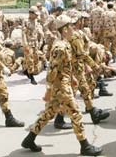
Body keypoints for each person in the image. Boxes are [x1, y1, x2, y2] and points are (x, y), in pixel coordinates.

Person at [21, 15, 103, 156]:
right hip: (61, 86)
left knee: (49, 113)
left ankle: (29, 138)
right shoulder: (60, 46)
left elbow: (65, 66)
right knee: (75, 113)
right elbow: (52, 69)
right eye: (71, 26)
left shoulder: (65, 44)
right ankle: (85, 146)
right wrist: (48, 90)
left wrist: (72, 78)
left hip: (63, 83)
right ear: (64, 30)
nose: (73, 28)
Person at [22, 6, 44, 85]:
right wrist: (25, 45)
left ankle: (26, 70)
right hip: (28, 43)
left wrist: (40, 41)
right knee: (30, 60)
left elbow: (38, 32)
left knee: (36, 59)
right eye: (35, 14)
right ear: (30, 13)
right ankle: (31, 77)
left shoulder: (36, 21)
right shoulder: (26, 21)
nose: (37, 16)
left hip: (35, 43)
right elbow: (23, 33)